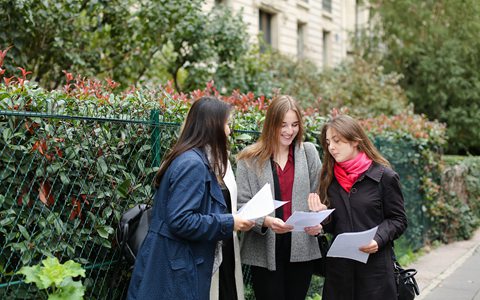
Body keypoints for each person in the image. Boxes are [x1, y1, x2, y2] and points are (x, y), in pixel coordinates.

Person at [127, 96, 254, 300]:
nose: (229, 130)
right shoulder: (193, 164)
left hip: (174, 264)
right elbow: (181, 220)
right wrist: (229, 222)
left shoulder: (189, 158)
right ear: (212, 126)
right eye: (227, 124)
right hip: (176, 269)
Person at [236, 95, 323, 300]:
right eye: (282, 125)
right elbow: (242, 205)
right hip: (264, 250)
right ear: (271, 124)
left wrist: (319, 223)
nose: (289, 131)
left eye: (294, 124)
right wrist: (265, 221)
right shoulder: (249, 159)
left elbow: (319, 196)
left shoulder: (309, 152)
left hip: (301, 247)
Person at [317, 114, 408, 300]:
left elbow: (398, 220)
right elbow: (333, 225)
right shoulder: (329, 178)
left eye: (337, 141)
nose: (331, 147)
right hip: (339, 274)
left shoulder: (385, 177)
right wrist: (321, 219)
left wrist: (377, 239)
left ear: (355, 141)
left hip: (376, 273)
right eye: (327, 142)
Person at [209, 160, 246, 300]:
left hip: (228, 249)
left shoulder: (225, 159)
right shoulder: (193, 160)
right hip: (206, 250)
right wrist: (230, 222)